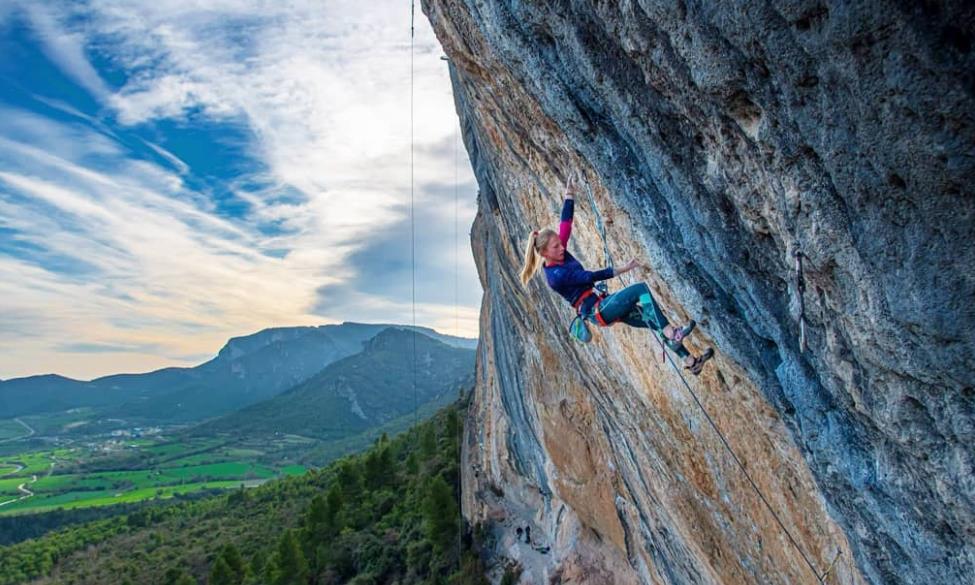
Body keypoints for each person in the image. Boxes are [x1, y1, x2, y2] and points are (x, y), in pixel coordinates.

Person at [520, 176, 714, 375]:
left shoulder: (558, 253)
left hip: (602, 304)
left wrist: (569, 193)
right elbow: (588, 277)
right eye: (556, 246)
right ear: (544, 253)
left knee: (651, 317)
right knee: (640, 290)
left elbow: (565, 224)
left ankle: (692, 362)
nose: (562, 247)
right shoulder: (555, 276)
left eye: (560, 244)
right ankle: (671, 333)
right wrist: (623, 268)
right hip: (598, 310)